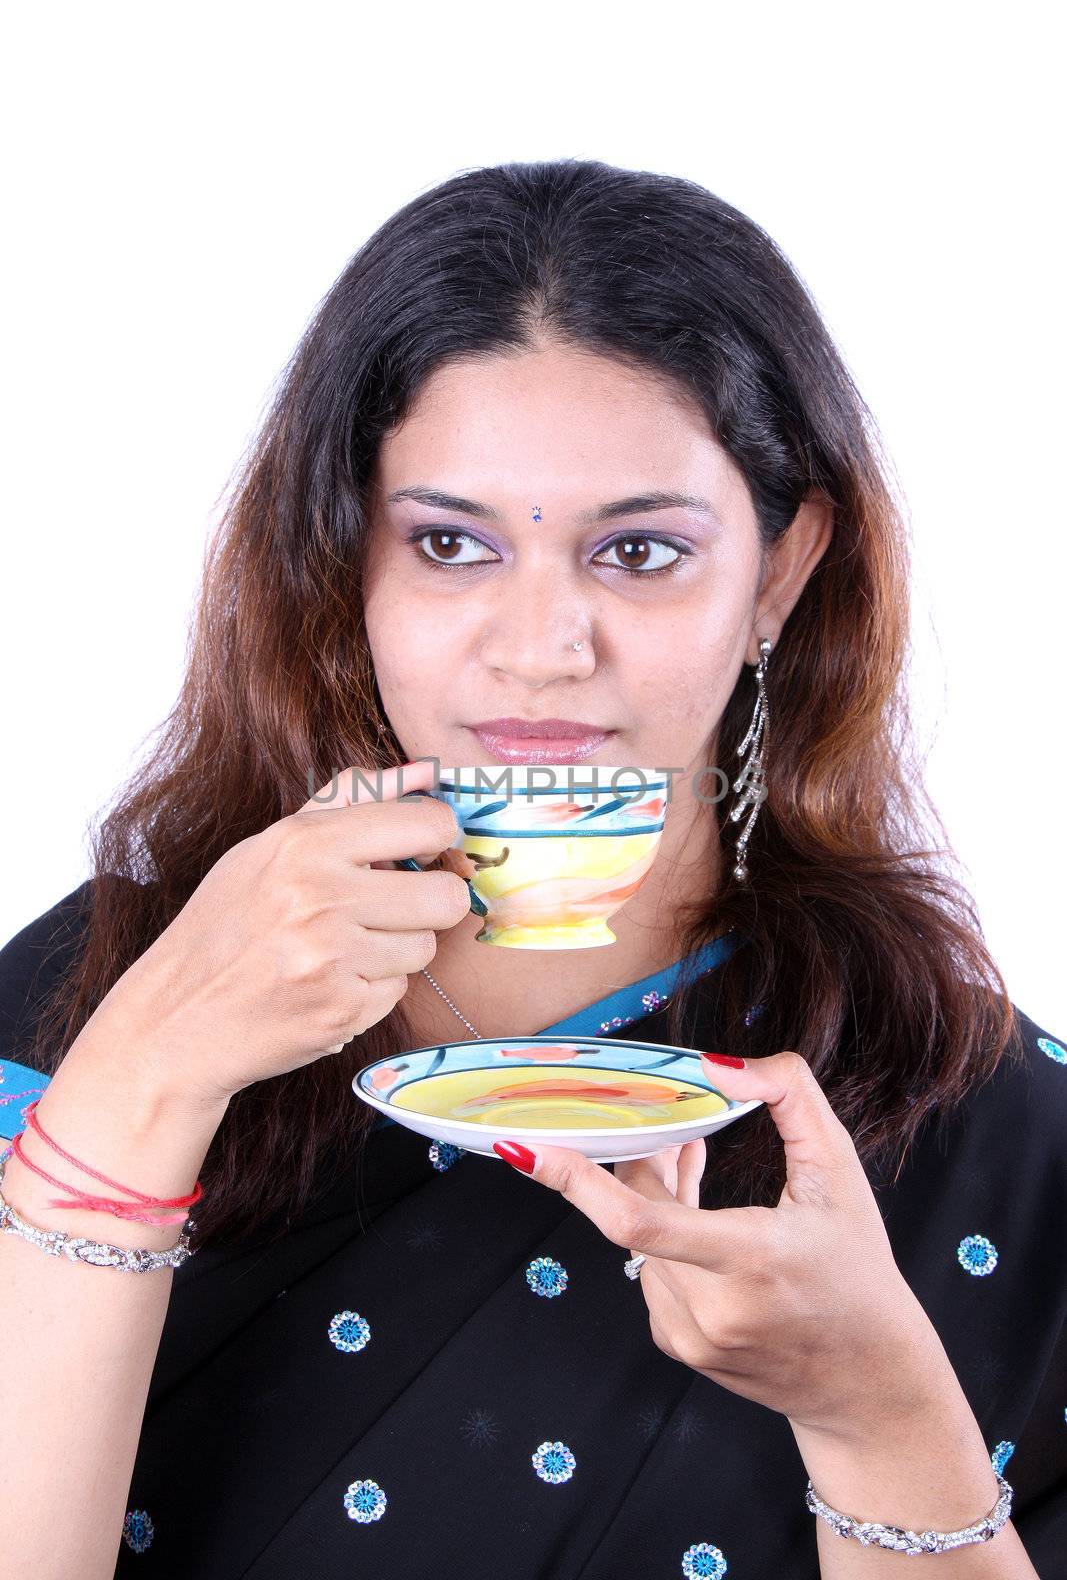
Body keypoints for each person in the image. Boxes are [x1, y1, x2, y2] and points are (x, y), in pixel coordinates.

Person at [0, 158, 1063, 1580]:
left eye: (639, 552)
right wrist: (138, 1091)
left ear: (783, 572)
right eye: (450, 544)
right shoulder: (94, 997)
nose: (542, 645)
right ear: (344, 566)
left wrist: (880, 1417)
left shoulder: (991, 1130)